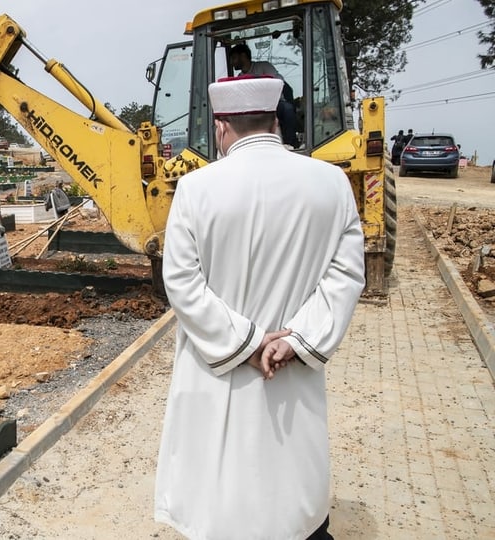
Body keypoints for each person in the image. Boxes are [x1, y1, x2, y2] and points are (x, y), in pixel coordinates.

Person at [154, 75, 366, 540]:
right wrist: (294, 339)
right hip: (293, 373)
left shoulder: (195, 188)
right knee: (292, 493)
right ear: (275, 119)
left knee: (219, 492)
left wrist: (246, 343)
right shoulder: (331, 183)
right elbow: (346, 276)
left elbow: (182, 282)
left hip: (218, 370)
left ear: (221, 126)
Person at [229, 43, 298, 148]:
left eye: (234, 58)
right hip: (254, 109)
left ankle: (291, 143)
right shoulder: (240, 78)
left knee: (287, 108)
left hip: (275, 105)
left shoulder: (263, 67)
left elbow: (279, 82)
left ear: (243, 56)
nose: (232, 63)